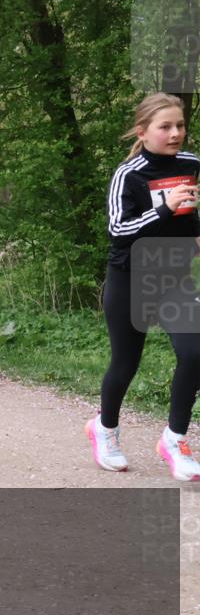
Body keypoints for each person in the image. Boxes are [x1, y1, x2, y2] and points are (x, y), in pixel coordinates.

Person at [86, 92, 200, 482]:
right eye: (165, 126)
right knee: (125, 363)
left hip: (175, 277)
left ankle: (174, 440)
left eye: (180, 125)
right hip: (132, 279)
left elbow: (190, 218)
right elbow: (118, 231)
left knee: (195, 352)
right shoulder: (128, 174)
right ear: (142, 131)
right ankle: (105, 429)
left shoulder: (191, 164)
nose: (175, 133)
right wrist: (163, 208)